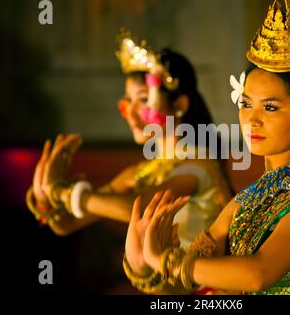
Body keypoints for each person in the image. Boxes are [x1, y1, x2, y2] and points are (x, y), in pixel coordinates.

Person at [124, 0, 290, 295]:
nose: (252, 119)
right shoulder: (244, 202)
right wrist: (143, 266)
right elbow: (198, 285)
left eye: (271, 107)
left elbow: (257, 274)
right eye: (246, 104)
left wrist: (166, 261)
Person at [25, 30, 233, 252]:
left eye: (143, 100)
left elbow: (139, 209)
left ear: (180, 104)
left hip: (201, 285)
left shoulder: (196, 166)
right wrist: (44, 195)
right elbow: (66, 224)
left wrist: (63, 192)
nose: (132, 114)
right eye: (127, 102)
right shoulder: (140, 173)